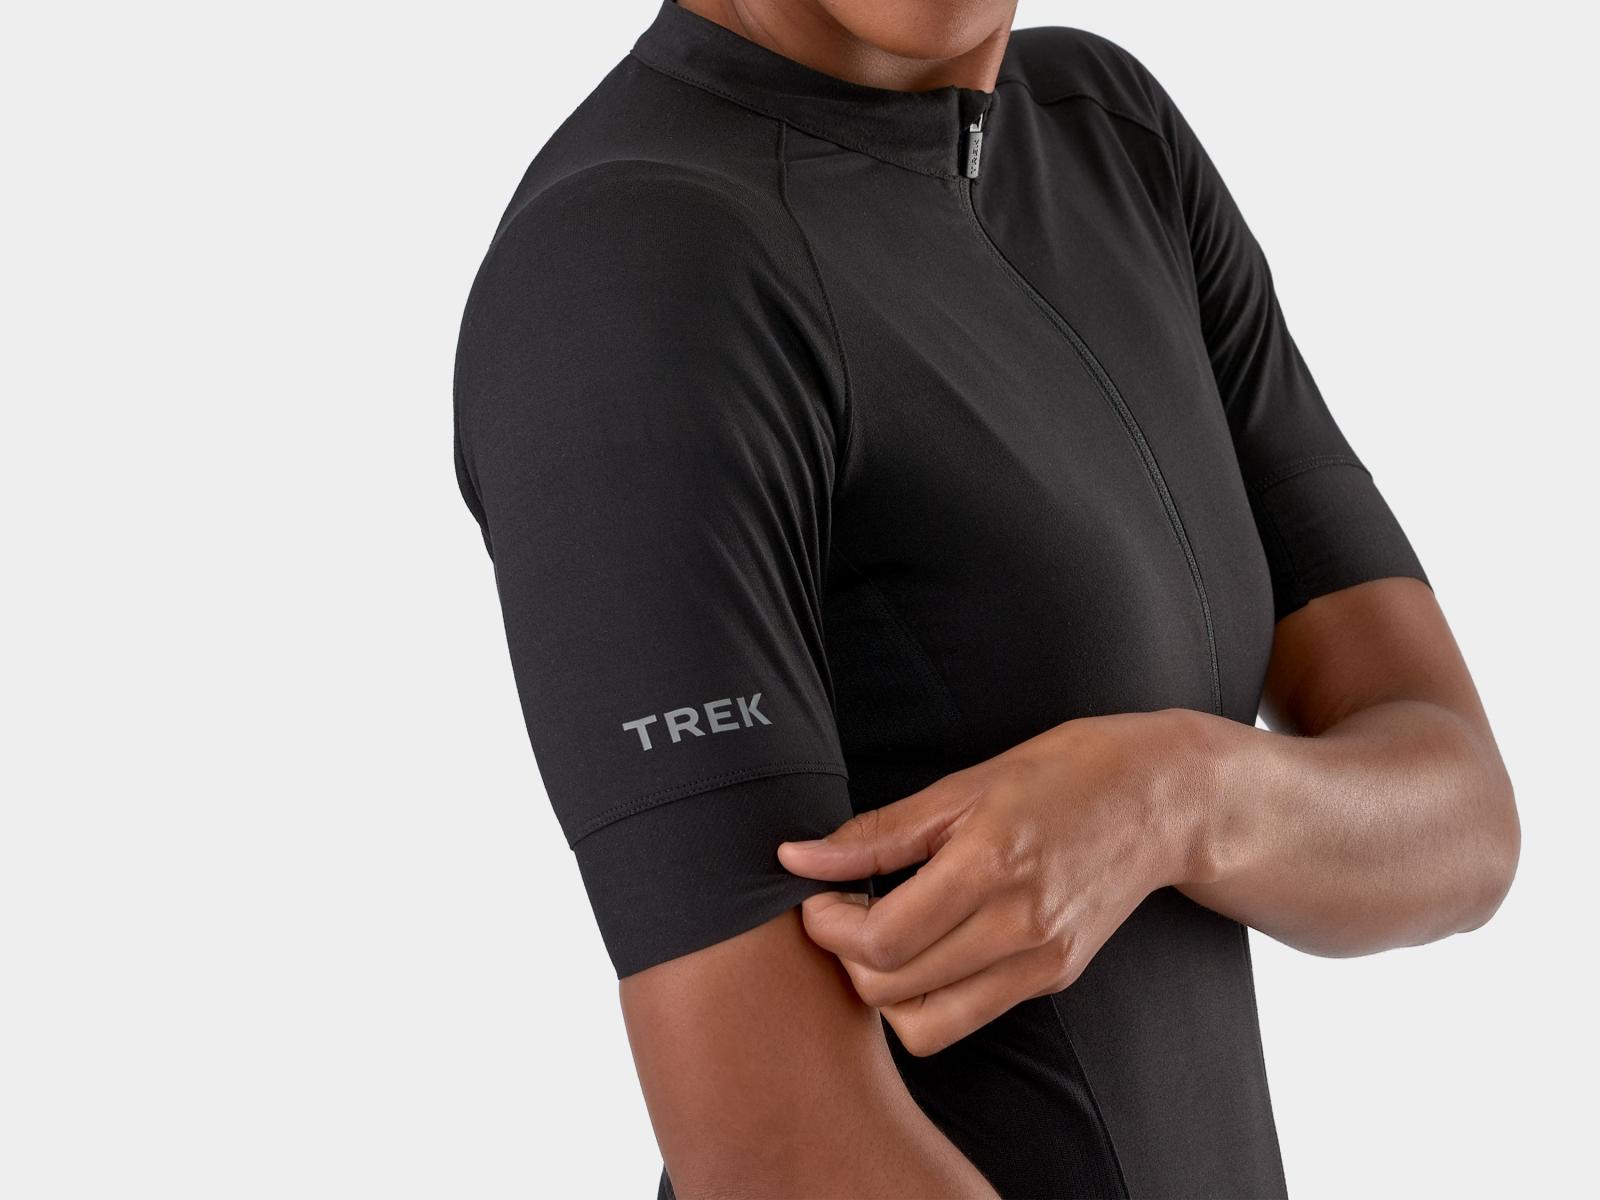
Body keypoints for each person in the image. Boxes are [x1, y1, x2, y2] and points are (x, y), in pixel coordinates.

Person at [451, 1, 1520, 1195]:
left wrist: (1173, 796)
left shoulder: (1108, 138)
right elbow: (773, 1147)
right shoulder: (627, 264)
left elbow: (1463, 822)